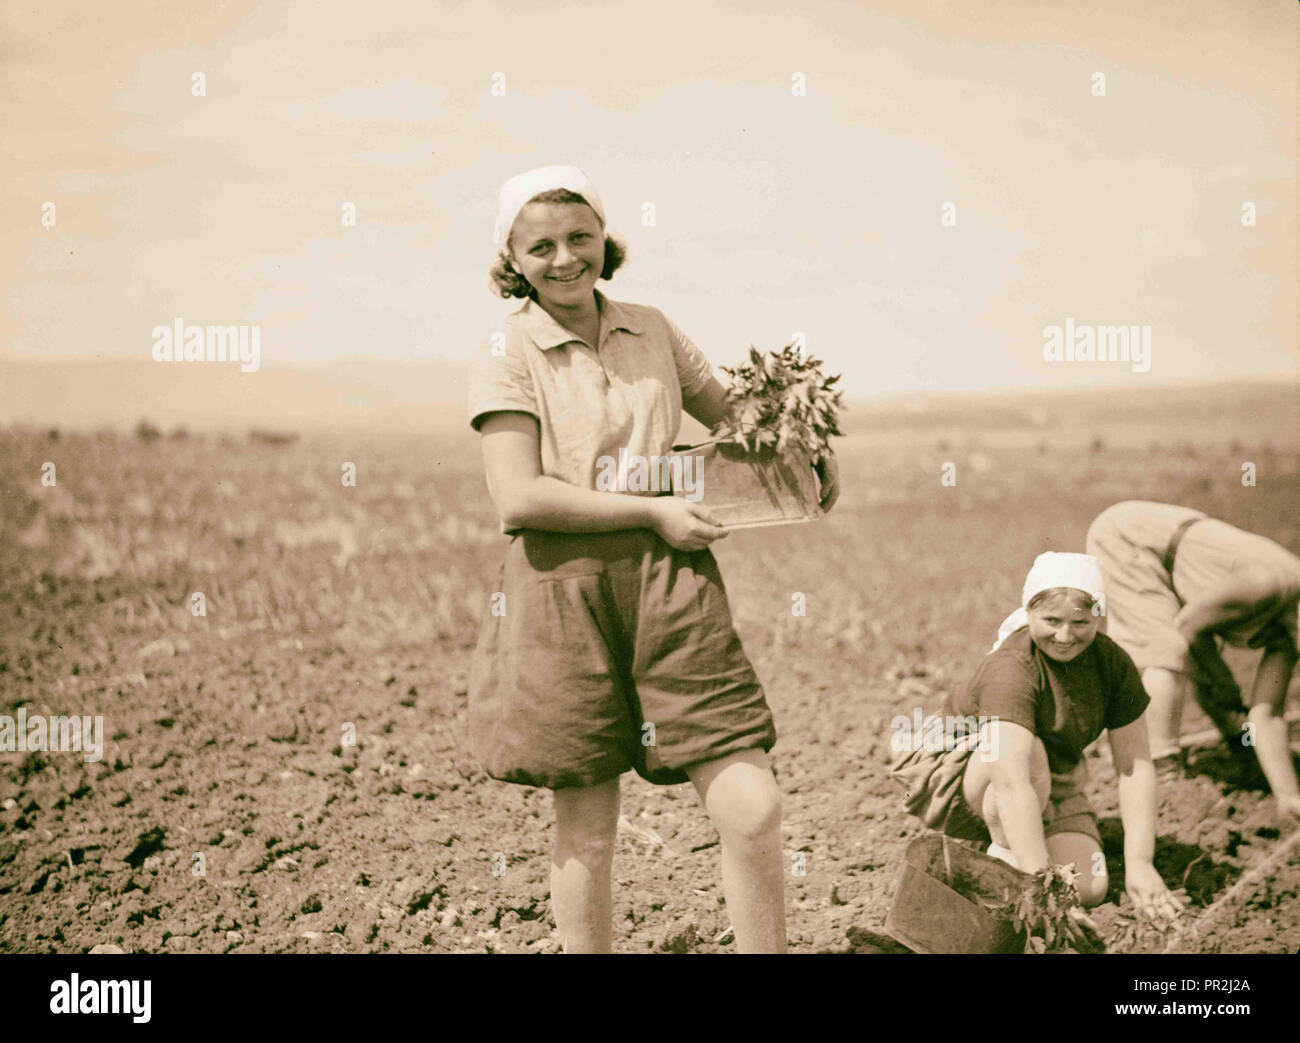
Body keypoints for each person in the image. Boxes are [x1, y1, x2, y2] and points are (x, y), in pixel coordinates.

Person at [466, 165, 840, 953]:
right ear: (513, 257)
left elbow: (739, 413)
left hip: (674, 582)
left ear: (606, 238)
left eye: (580, 237)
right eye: (541, 246)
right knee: (589, 829)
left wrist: (804, 444)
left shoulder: (655, 329)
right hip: (561, 590)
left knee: (753, 805)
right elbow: (519, 497)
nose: (564, 258)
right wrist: (652, 512)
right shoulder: (507, 350)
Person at [891, 552, 1183, 920]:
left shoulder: (1112, 664)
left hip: (1053, 779)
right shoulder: (1012, 669)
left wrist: (1140, 864)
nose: (1065, 636)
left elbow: (1134, 767)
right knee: (1031, 756)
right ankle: (998, 851)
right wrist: (1043, 888)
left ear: (1099, 617)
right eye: (1051, 620)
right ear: (1029, 614)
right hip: (965, 777)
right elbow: (1011, 782)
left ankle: (1006, 860)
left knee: (1089, 890)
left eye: (1080, 622)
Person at [1086, 500, 1300, 823]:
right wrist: (1221, 686)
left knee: (1187, 653)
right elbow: (1189, 626)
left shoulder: (1289, 635)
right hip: (1130, 538)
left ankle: (1230, 743)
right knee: (1169, 647)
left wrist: (1288, 797)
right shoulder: (1269, 584)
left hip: (1170, 554)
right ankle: (1162, 768)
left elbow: (1266, 715)